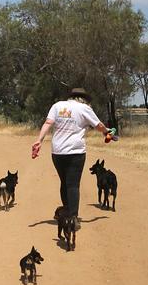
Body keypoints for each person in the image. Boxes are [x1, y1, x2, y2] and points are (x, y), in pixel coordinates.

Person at [31, 87, 111, 228]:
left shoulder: (57, 106)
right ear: (84, 99)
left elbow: (48, 123)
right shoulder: (84, 108)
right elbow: (98, 125)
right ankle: (73, 217)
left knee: (64, 182)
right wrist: (107, 132)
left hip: (58, 152)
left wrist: (39, 140)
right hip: (75, 152)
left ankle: (67, 212)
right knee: (73, 185)